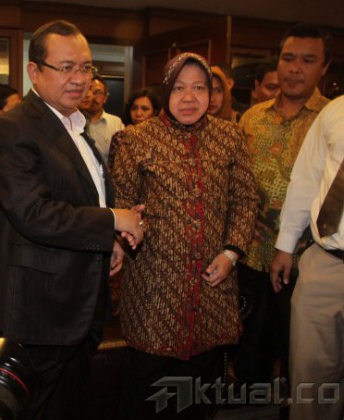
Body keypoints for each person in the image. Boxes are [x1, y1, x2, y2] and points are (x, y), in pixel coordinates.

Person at [0, 20, 144, 420]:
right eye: (66, 67)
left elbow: (83, 198)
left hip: (81, 303)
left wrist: (109, 242)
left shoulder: (76, 125)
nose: (80, 79)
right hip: (41, 309)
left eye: (86, 68)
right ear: (34, 71)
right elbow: (33, 214)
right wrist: (113, 220)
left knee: (70, 405)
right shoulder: (10, 129)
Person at [112, 52, 259, 419]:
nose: (189, 98)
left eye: (199, 88)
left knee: (198, 394)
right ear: (166, 91)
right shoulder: (135, 139)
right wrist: (131, 230)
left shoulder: (229, 137)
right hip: (154, 290)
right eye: (179, 88)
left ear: (212, 93)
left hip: (212, 286)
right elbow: (123, 204)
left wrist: (231, 253)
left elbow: (246, 199)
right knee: (146, 393)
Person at [235, 23, 332, 387]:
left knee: (302, 356)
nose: (295, 68)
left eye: (308, 60)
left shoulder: (332, 120)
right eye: (288, 58)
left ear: (324, 67)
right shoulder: (253, 117)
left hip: (308, 259)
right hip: (252, 254)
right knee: (250, 349)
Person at [271, 94, 344, 420]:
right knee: (310, 383)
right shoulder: (337, 110)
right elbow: (306, 178)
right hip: (326, 262)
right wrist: (286, 244)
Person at [79, 74, 124, 163]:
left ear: (105, 98)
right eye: (89, 90)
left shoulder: (116, 122)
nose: (92, 96)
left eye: (98, 93)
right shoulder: (76, 121)